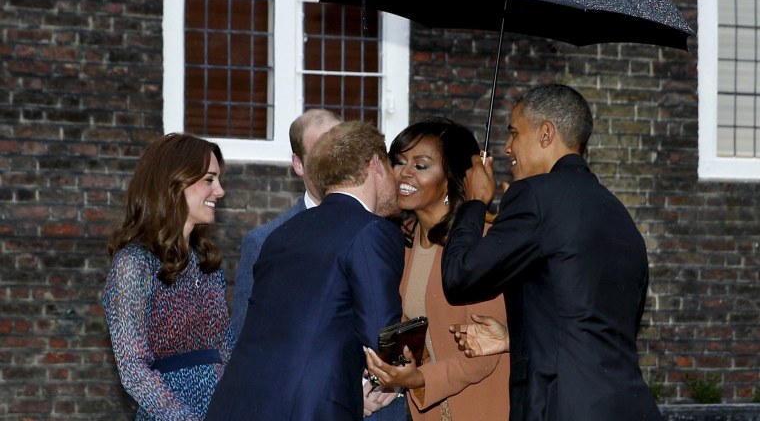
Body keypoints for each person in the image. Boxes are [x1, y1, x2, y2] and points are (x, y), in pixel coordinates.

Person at [441, 84, 662, 421]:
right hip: (627, 403)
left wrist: (474, 202)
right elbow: (587, 324)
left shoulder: (534, 195)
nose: (506, 147)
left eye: (514, 133)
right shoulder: (617, 212)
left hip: (561, 406)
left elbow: (460, 277)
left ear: (546, 134)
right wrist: (512, 339)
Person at [206, 121, 405, 421]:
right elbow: (381, 340)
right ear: (376, 164)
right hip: (308, 409)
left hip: (237, 403)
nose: (396, 179)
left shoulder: (282, 232)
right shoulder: (371, 231)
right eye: (392, 166)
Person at [364, 118, 510, 421]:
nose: (404, 173)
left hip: (482, 408)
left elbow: (483, 356)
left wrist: (420, 380)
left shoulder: (479, 243)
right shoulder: (405, 239)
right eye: (399, 161)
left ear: (452, 178)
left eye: (421, 166)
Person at [102, 133, 232, 420]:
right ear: (174, 182)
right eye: (209, 180)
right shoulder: (134, 264)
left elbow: (226, 349)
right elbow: (133, 368)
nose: (219, 191)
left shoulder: (207, 264)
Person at [230, 108, 341, 340]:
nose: (333, 166)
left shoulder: (376, 229)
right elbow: (244, 336)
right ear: (298, 164)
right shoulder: (263, 242)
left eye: (340, 153)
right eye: (320, 156)